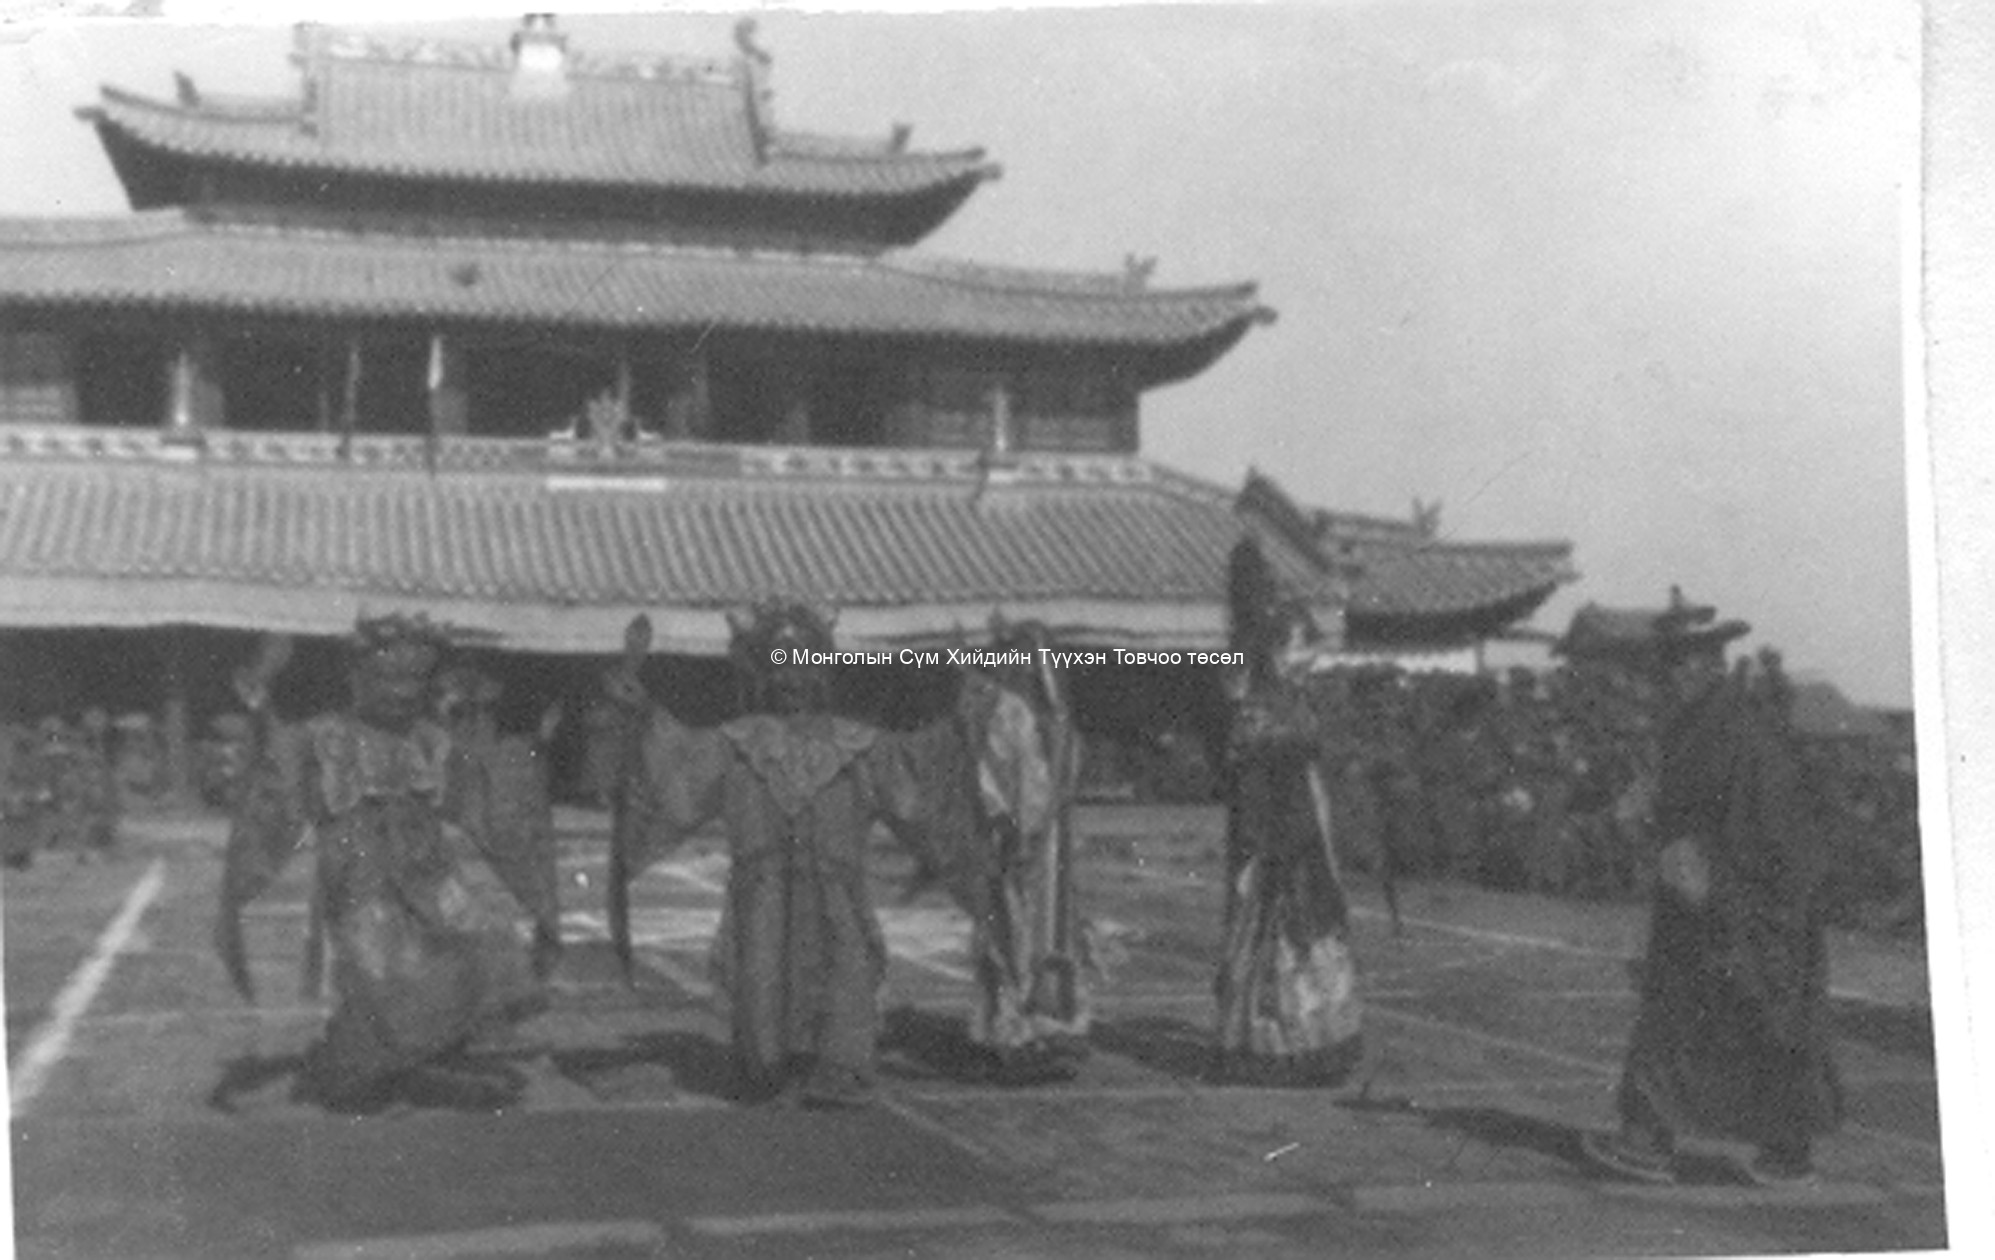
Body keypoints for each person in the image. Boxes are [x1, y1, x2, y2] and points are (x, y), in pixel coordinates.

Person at [604, 602, 986, 1108]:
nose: (791, 677)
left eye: (803, 662)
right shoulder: (736, 744)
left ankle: (836, 1070)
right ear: (761, 672)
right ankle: (772, 1071)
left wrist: (958, 720)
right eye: (778, 663)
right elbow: (675, 774)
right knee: (764, 976)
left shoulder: (858, 744)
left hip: (837, 895)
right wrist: (642, 714)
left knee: (843, 972)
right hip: (762, 894)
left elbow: (917, 777)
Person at [216, 616, 546, 1113]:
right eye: (389, 679)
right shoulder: (323, 737)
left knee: (477, 947)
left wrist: (525, 765)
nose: (402, 692)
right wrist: (261, 705)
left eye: (414, 680)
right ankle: (362, 1071)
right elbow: (278, 778)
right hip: (359, 871)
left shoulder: (430, 739)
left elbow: (482, 794)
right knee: (381, 971)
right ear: (357, 679)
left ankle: (427, 1059)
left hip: (430, 870)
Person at [1580, 591, 1843, 1187]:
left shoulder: (1736, 730)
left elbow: (1771, 827)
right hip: (1716, 899)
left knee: (1724, 1017)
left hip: (1741, 899)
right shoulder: (1705, 725)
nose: (1664, 679)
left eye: (1674, 666)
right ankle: (1776, 1147)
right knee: (1744, 1018)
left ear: (1704, 666)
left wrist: (1709, 874)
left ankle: (1651, 1140)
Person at [1211, 536, 1363, 1086]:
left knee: (1289, 925)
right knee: (1287, 926)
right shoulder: (1265, 698)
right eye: (1299, 649)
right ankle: (1288, 1039)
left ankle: (1292, 1035)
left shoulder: (1267, 691)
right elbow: (1257, 763)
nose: (1307, 659)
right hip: (1280, 822)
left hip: (1288, 819)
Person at [958, 618, 1091, 1084]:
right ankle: (1011, 1030)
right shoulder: (1006, 712)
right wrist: (1008, 827)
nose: (1035, 669)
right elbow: (989, 778)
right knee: (1011, 935)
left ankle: (1051, 1025)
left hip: (1051, 848)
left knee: (1049, 936)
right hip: (1013, 842)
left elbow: (1063, 779)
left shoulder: (1056, 720)